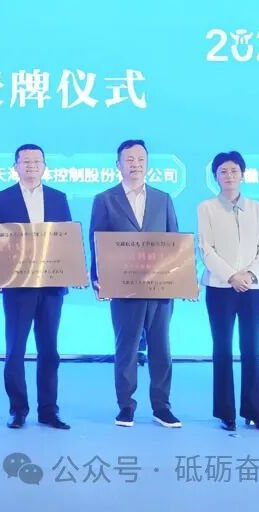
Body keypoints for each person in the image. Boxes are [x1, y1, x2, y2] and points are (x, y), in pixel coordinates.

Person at [89, 139, 181, 428]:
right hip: (123, 286)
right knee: (126, 348)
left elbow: (174, 242)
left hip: (160, 288)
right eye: (129, 159)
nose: (135, 164)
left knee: (161, 348)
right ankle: (126, 406)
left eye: (141, 159)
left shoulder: (163, 199)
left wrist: (180, 280)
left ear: (147, 163)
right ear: (118, 164)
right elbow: (97, 242)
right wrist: (98, 279)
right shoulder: (105, 199)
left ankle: (161, 407)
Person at [0, 144, 72, 430]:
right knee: (15, 350)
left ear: (45, 166)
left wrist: (73, 270)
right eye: (26, 161)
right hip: (18, 286)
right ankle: (18, 410)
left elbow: (66, 239)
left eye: (37, 161)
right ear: (16, 167)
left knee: (49, 351)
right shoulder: (2, 198)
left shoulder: (59, 198)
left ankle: (48, 410)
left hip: (51, 286)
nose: (32, 165)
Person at [198, 151, 259, 432]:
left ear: (243, 174)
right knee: (222, 348)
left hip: (254, 288)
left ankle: (255, 412)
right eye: (223, 172)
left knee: (252, 349)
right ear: (215, 177)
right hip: (220, 287)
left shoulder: (257, 208)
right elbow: (206, 249)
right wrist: (231, 276)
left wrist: (250, 275)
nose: (228, 176)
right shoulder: (206, 208)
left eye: (233, 171)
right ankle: (225, 413)